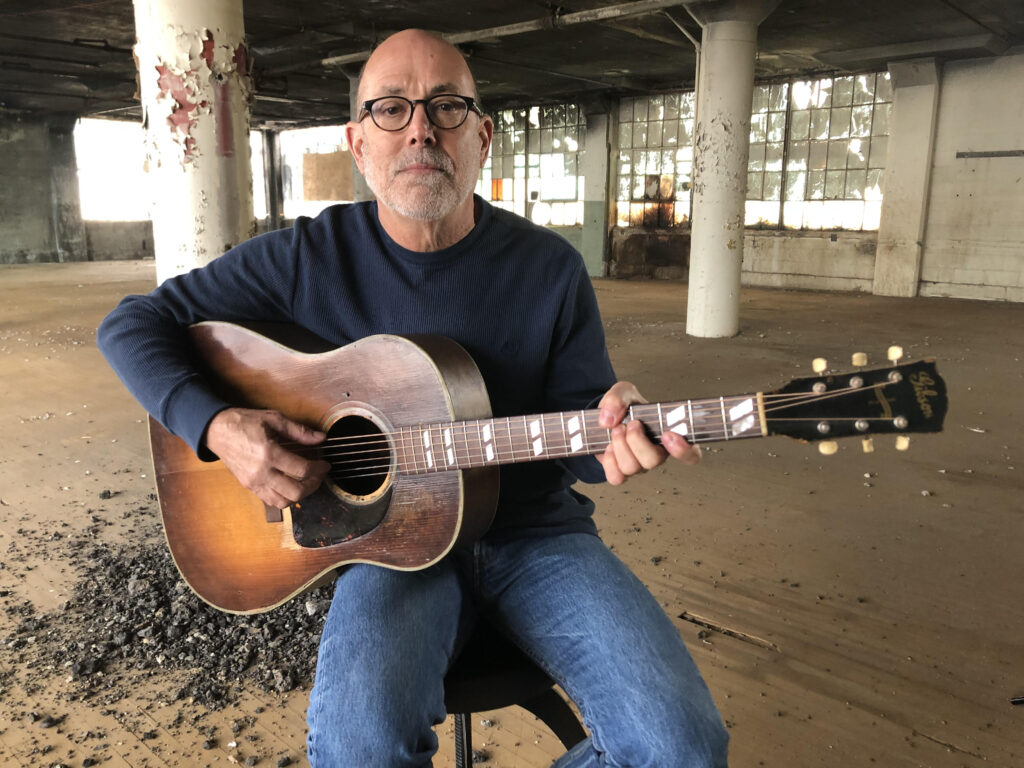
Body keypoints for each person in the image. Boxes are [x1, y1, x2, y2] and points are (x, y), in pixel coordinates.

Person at [98, 28, 729, 768]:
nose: (421, 128)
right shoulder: (308, 257)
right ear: (359, 141)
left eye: (447, 107)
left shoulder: (548, 268)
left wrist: (614, 434)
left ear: (483, 137)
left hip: (537, 536)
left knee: (681, 747)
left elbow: (588, 441)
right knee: (356, 747)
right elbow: (131, 324)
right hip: (391, 549)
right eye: (391, 109)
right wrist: (220, 426)